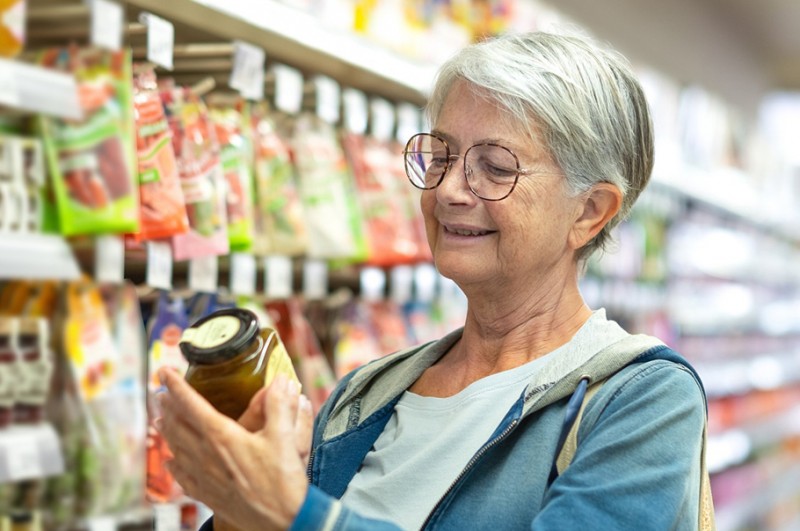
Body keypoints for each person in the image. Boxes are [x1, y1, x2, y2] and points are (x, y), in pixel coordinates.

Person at [156, 30, 711, 530]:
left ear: (590, 211)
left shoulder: (643, 400)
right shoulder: (364, 395)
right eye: (441, 155)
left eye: (495, 166)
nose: (448, 190)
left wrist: (294, 513)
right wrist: (238, 498)